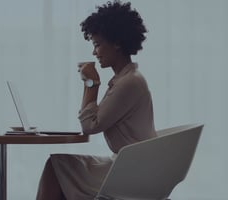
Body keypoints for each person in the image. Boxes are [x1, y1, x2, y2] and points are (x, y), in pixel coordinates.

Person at [36, 1, 156, 199]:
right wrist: (92, 83)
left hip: (131, 173)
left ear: (117, 42)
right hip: (130, 165)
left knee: (55, 168)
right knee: (57, 167)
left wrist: (91, 82)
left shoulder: (129, 83)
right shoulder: (127, 79)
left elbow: (90, 126)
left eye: (97, 44)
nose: (94, 52)